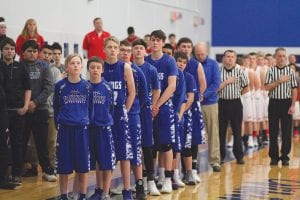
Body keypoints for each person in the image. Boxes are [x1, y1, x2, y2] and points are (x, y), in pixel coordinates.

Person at [53, 54, 93, 200]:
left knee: (82, 166)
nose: (75, 65)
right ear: (67, 66)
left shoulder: (87, 86)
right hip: (64, 129)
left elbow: (91, 109)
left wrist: (84, 120)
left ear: (82, 66)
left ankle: (82, 195)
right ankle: (63, 195)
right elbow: (56, 107)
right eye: (72, 63)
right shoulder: (60, 86)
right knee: (63, 167)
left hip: (81, 130)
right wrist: (59, 123)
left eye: (78, 63)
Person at [102, 36, 136, 200]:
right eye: (110, 47)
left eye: (115, 47)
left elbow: (132, 92)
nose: (113, 50)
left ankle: (127, 189)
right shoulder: (99, 66)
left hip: (119, 114)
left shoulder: (125, 67)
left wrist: (125, 111)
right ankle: (104, 190)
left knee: (124, 154)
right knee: (105, 154)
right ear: (104, 49)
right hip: (103, 116)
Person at [145, 30, 178, 194]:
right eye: (153, 40)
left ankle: (167, 179)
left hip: (163, 108)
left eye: (158, 40)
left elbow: (172, 86)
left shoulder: (169, 61)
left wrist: (156, 104)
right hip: (147, 109)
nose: (155, 43)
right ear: (150, 42)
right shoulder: (144, 61)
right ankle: (148, 178)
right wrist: (150, 106)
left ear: (163, 42)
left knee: (166, 144)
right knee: (149, 146)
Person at [116, 40, 147, 199]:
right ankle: (122, 184)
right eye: (122, 50)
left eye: (128, 50)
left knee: (135, 151)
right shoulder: (111, 69)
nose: (125, 52)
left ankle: (140, 185)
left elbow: (142, 95)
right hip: (113, 117)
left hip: (132, 115)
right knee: (119, 152)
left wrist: (130, 110)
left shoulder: (136, 71)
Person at [21, 40, 56, 182]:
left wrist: (35, 102)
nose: (32, 53)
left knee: (42, 143)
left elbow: (48, 87)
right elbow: (16, 88)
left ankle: (47, 170)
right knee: (22, 142)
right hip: (22, 110)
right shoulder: (18, 66)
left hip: (40, 109)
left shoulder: (44, 66)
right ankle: (19, 170)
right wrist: (25, 104)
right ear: (23, 53)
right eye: (29, 51)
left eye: (35, 51)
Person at [0, 37, 31, 185]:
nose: (10, 51)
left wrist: (25, 106)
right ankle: (4, 175)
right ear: (1, 51)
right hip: (3, 112)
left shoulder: (21, 67)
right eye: (6, 48)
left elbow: (28, 88)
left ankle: (16, 174)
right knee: (2, 144)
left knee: (18, 143)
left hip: (18, 111)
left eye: (12, 49)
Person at [132, 39, 161, 196]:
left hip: (144, 111)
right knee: (132, 147)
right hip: (131, 111)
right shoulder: (127, 67)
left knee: (148, 146)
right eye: (135, 48)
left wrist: (153, 106)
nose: (138, 50)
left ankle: (150, 181)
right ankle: (134, 182)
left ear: (145, 51)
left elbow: (157, 90)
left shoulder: (151, 69)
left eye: (141, 48)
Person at [87, 57, 115, 200]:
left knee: (107, 161)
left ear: (102, 70)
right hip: (89, 128)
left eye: (98, 67)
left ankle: (106, 191)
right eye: (92, 67)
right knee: (96, 161)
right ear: (88, 69)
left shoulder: (107, 87)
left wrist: (105, 120)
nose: (95, 70)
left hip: (104, 128)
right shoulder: (85, 86)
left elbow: (111, 108)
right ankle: (98, 189)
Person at [178, 39, 206, 179]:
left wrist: (197, 96)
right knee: (179, 139)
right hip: (177, 105)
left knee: (193, 138)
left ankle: (193, 170)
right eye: (183, 46)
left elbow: (203, 84)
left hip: (192, 105)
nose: (186, 49)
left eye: (189, 46)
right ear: (179, 47)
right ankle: (179, 172)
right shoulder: (174, 63)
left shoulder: (196, 64)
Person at [265, 47, 297, 166]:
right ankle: (274, 157)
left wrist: (293, 105)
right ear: (275, 57)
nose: (282, 58)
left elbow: (294, 89)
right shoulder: (270, 71)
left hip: (286, 103)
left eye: (284, 56)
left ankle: (285, 156)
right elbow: (266, 87)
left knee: (286, 131)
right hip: (273, 102)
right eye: (279, 56)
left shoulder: (290, 71)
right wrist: (279, 81)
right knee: (273, 131)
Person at [193, 42, 221, 172]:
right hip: (193, 103)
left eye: (202, 54)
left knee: (213, 132)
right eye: (197, 54)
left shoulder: (213, 64)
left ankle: (215, 160)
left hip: (210, 103)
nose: (200, 56)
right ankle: (194, 161)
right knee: (195, 133)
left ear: (207, 52)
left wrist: (203, 95)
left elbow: (216, 83)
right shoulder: (192, 63)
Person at [218, 50, 249, 164]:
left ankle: (239, 156)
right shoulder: (218, 70)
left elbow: (246, 87)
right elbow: (215, 88)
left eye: (232, 57)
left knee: (237, 130)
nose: (230, 59)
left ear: (235, 59)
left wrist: (236, 94)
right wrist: (226, 82)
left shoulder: (240, 71)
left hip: (235, 103)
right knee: (221, 131)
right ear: (224, 58)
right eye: (228, 56)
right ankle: (220, 156)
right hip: (222, 103)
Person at [174, 51, 197, 185]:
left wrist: (181, 112)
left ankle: (189, 173)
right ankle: (175, 173)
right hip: (172, 115)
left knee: (187, 145)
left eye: (183, 62)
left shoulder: (189, 77)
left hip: (185, 115)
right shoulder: (171, 75)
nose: (181, 64)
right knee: (175, 146)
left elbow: (190, 98)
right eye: (179, 61)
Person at [0, 48, 17, 190]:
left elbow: (8, 88)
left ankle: (2, 178)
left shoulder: (3, 67)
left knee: (2, 145)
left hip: (2, 110)